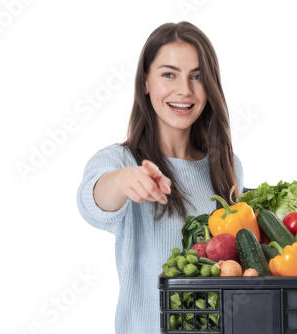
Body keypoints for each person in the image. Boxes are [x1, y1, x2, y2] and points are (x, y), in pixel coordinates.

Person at [76, 21, 244, 334]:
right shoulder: (121, 161)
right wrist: (126, 180)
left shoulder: (228, 164)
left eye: (197, 76)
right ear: (145, 82)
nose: (185, 90)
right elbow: (92, 200)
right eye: (169, 74)